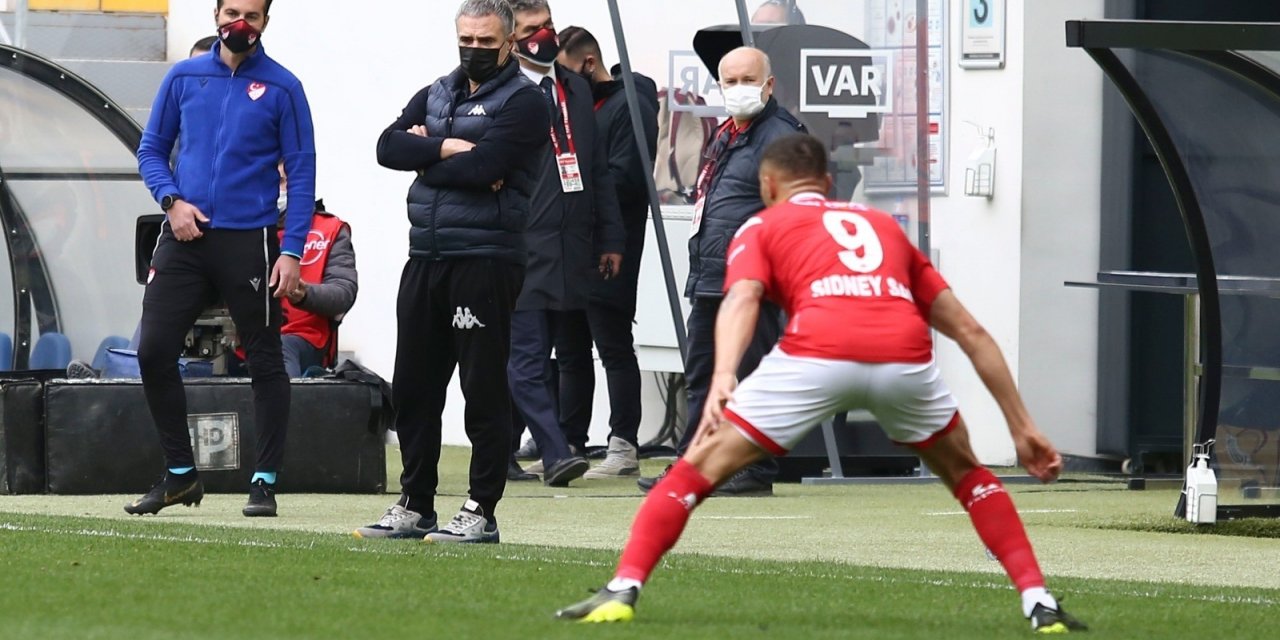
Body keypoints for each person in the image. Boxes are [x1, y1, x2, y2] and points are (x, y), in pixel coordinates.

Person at [555, 134, 1089, 634]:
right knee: (969, 476)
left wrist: (723, 377)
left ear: (767, 187)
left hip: (817, 354)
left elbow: (740, 298)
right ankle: (1039, 600)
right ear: (827, 184)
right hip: (902, 357)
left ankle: (622, 589)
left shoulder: (761, 226)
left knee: (694, 471)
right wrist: (1022, 428)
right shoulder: (881, 226)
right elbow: (970, 332)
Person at [355, 0, 548, 544]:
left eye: (487, 42)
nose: (475, 50)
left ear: (510, 42)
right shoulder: (438, 90)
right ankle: (416, 503)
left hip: (486, 260)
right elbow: (387, 147)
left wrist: (425, 158)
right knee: (414, 387)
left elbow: (488, 165)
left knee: (482, 387)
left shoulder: (527, 103)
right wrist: (442, 148)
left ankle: (481, 509)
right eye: (467, 40)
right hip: (427, 257)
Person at [130, 0, 314, 518]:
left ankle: (264, 479)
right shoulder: (185, 77)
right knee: (153, 350)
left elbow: (301, 175)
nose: (240, 23)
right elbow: (151, 150)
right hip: (184, 234)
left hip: (249, 239)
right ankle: (180, 475)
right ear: (215, 15)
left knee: (263, 356)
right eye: (231, 11)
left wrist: (293, 250)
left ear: (265, 22)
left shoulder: (284, 88)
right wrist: (172, 200)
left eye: (251, 15)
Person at [637, 46, 804, 496]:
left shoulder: (782, 136)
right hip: (712, 275)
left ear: (769, 85)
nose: (737, 89)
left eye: (747, 80)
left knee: (749, 373)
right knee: (702, 373)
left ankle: (754, 468)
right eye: (728, 82)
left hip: (753, 280)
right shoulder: (727, 133)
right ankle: (695, 464)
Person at [505, 0, 625, 487]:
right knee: (527, 356)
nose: (543, 36)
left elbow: (596, 168)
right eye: (531, 29)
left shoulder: (574, 88)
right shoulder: (504, 90)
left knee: (549, 354)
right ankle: (556, 453)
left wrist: (610, 237)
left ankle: (504, 452)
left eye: (547, 26)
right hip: (519, 243)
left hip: (571, 243)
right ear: (511, 39)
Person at [553, 25, 659, 478]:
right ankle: (568, 442)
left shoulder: (629, 105)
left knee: (612, 344)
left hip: (609, 245)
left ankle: (624, 445)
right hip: (569, 246)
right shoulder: (575, 106)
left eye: (567, 73)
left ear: (589, 65)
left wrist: (573, 190)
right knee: (571, 347)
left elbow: (627, 178)